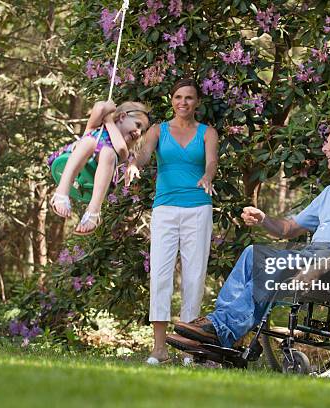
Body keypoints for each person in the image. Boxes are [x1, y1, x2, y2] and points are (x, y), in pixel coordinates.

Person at [170, 121, 330, 349]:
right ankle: (221, 330)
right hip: (311, 259)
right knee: (251, 253)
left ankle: (221, 330)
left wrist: (315, 269)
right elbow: (289, 229)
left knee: (272, 262)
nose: (325, 148)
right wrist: (263, 219)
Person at [125, 78, 219, 365]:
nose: (183, 102)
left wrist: (207, 176)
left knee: (194, 277)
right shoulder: (159, 130)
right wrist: (133, 166)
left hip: (198, 208)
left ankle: (190, 347)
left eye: (189, 98)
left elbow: (212, 161)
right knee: (161, 275)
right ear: (171, 100)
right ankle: (159, 349)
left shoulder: (207, 132)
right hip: (165, 210)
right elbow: (143, 155)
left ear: (197, 102)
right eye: (178, 97)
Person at [49, 100, 150, 235]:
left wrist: (108, 119)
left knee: (108, 152)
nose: (138, 132)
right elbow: (98, 107)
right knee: (88, 141)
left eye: (142, 131)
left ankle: (94, 210)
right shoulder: (96, 127)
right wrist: (106, 107)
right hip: (77, 155)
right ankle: (61, 192)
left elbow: (119, 147)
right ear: (122, 116)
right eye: (138, 125)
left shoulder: (123, 150)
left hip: (99, 170)